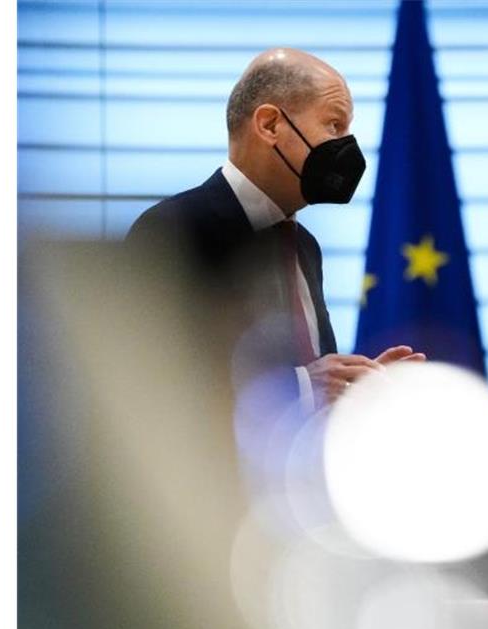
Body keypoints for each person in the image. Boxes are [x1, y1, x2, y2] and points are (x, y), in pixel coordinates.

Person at [126, 48, 423, 410]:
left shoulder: (305, 247)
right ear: (269, 125)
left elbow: (314, 384)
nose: (347, 146)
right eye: (334, 125)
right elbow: (149, 385)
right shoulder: (171, 229)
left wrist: (352, 387)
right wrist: (299, 386)